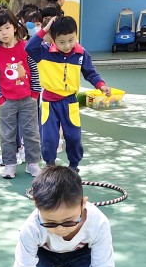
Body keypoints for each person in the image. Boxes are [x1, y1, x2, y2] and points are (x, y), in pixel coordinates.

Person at [26, 15, 109, 171]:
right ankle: (50, 166)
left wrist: (101, 85)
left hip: (70, 102)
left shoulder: (81, 53)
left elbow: (90, 72)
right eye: (62, 42)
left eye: (71, 39)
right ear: (52, 39)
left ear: (76, 35)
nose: (67, 45)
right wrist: (45, 30)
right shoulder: (44, 52)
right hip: (49, 103)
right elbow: (29, 47)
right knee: (49, 139)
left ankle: (74, 166)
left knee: (74, 137)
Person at [0, 8, 41, 179]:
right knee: (7, 134)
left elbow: (34, 70)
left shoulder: (26, 47)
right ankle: (9, 164)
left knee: (31, 132)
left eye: (7, 28)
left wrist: (35, 93)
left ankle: (33, 163)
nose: (4, 33)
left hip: (28, 99)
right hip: (7, 101)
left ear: (15, 27)